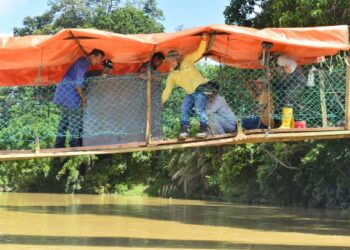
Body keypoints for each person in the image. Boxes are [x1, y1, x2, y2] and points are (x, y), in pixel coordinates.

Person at [162, 33, 210, 140]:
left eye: (173, 59)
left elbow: (199, 52)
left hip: (200, 88)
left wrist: (203, 40)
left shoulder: (187, 60)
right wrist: (162, 101)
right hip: (189, 92)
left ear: (178, 59)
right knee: (183, 109)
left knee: (198, 109)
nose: (171, 62)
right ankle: (185, 131)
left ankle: (206, 130)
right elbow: (167, 89)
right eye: (170, 60)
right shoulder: (172, 75)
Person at [53, 48, 105, 148]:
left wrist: (99, 73)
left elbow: (85, 75)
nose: (98, 62)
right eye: (99, 59)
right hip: (70, 95)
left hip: (63, 93)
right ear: (93, 55)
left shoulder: (82, 62)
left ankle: (58, 145)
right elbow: (78, 86)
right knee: (74, 122)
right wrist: (83, 98)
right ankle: (74, 146)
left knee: (63, 121)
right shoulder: (83, 63)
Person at [138, 52, 165, 140]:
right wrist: (152, 77)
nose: (160, 64)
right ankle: (147, 135)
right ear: (155, 58)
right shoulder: (147, 66)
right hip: (146, 96)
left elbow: (160, 79)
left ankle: (156, 135)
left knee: (156, 116)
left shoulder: (156, 71)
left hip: (155, 97)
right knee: (146, 116)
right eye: (159, 61)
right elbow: (140, 76)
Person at [276, 55, 306, 129]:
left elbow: (289, 70)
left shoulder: (289, 62)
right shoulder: (287, 62)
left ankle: (286, 124)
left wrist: (284, 70)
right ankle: (291, 124)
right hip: (295, 82)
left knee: (288, 100)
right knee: (291, 101)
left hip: (298, 82)